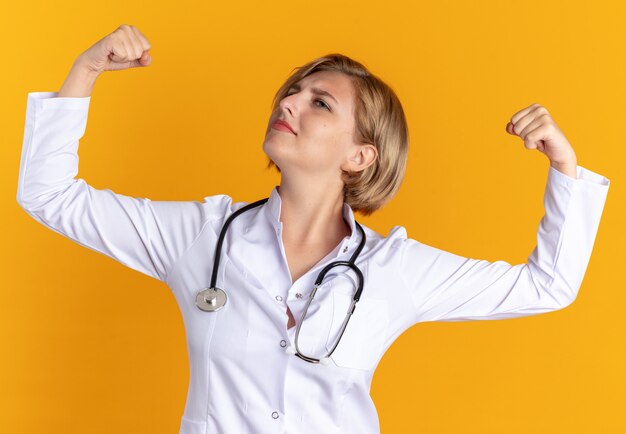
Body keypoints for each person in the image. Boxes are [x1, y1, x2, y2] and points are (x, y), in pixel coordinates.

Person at [16, 24, 610, 434]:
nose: (291, 104)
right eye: (291, 92)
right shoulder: (201, 236)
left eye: (320, 103)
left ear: (360, 157)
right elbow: (48, 195)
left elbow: (547, 286)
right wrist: (86, 70)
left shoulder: (393, 272)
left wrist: (564, 165)